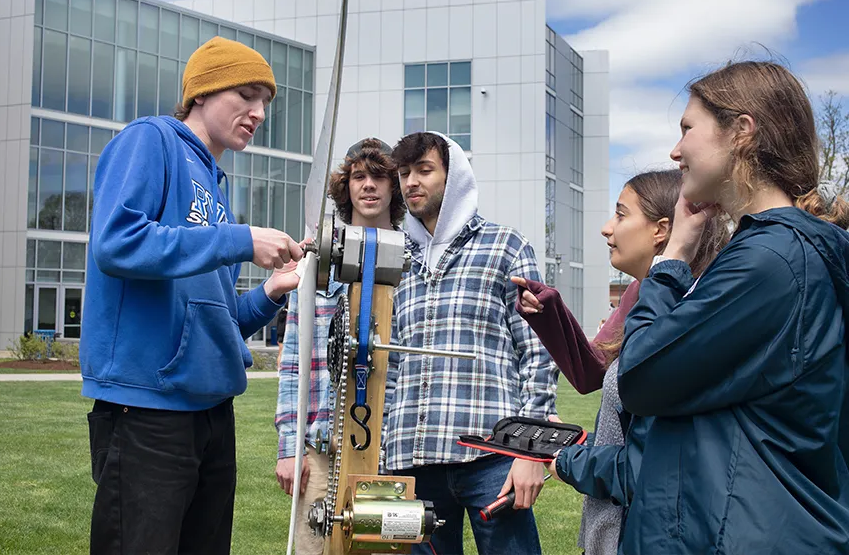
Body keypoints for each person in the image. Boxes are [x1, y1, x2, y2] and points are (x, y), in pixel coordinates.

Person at [80, 36, 306, 555]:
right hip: (147, 410)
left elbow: (218, 322)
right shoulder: (151, 139)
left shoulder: (216, 190)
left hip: (213, 413)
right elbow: (116, 242)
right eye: (246, 94)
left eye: (265, 102)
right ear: (202, 91)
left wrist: (271, 291)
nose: (259, 113)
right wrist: (239, 240)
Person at [616, 61, 849, 553]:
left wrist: (672, 261)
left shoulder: (769, 262)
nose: (675, 150)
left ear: (741, 131)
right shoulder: (775, 253)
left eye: (687, 129)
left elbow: (640, 376)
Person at [514, 169, 727, 555]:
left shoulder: (696, 307)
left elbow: (653, 460)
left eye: (621, 214)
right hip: (609, 525)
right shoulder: (640, 292)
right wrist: (550, 312)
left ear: (661, 230)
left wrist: (571, 460)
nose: (606, 228)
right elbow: (593, 373)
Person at [385, 132, 559, 555]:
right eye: (404, 173)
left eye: (424, 170)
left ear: (454, 177)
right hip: (411, 458)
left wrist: (531, 453)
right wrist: (381, 450)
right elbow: (388, 364)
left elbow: (538, 352)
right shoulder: (393, 258)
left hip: (493, 456)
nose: (411, 182)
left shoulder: (506, 246)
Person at [274, 138, 405, 555]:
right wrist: (289, 448)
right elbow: (293, 362)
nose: (369, 186)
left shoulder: (413, 262)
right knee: (314, 547)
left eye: (379, 176)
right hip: (321, 446)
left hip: (387, 448)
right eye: (359, 176)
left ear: (394, 186)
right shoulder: (317, 263)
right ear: (345, 186)